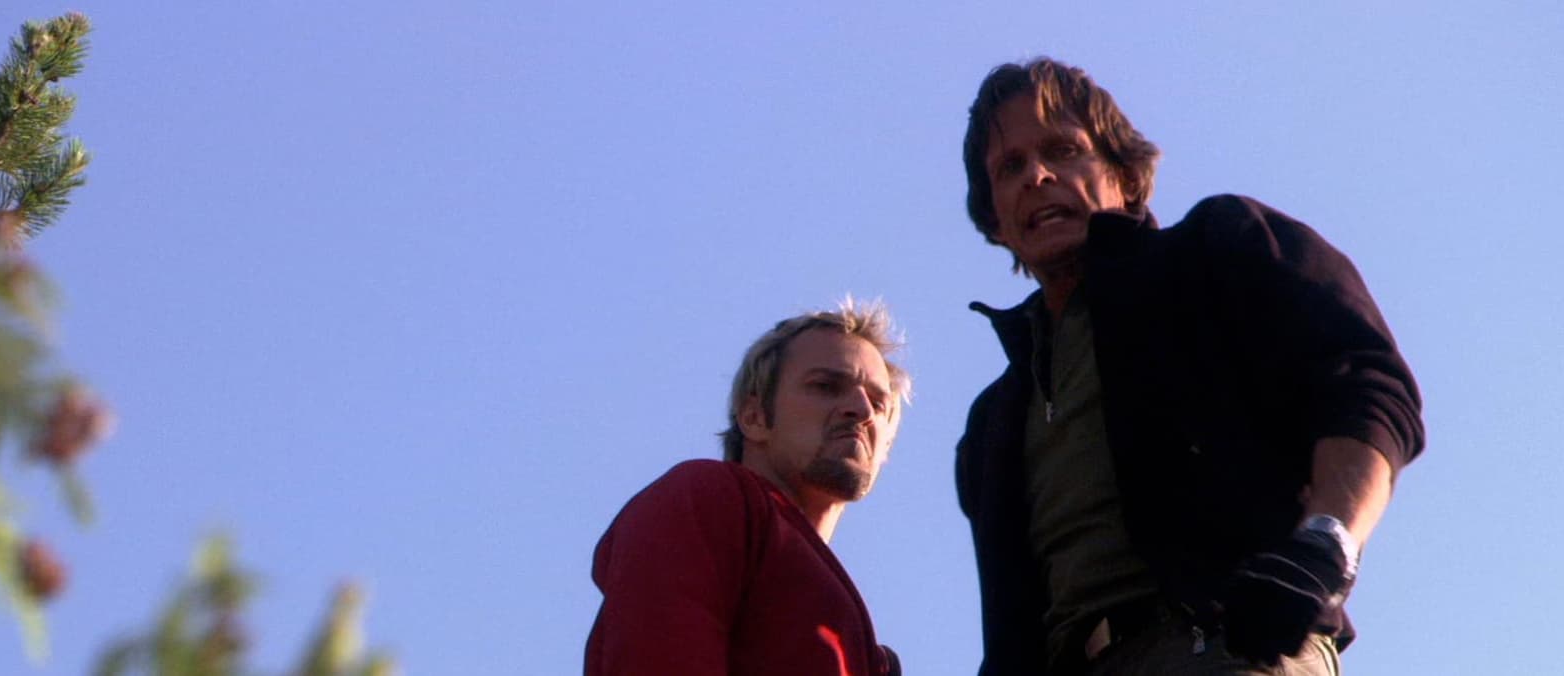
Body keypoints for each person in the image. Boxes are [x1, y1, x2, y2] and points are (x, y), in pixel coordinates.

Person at [953, 57, 1425, 675]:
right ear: (994, 218)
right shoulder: (993, 421)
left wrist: (1325, 545)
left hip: (1227, 645)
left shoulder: (1215, 249)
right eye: (1009, 167)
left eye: (1062, 150)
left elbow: (1366, 387)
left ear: (1124, 174)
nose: (1037, 176)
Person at [585, 299, 910, 676]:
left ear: (887, 446)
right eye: (825, 386)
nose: (861, 411)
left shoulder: (856, 640)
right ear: (754, 417)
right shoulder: (707, 496)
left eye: (878, 404)